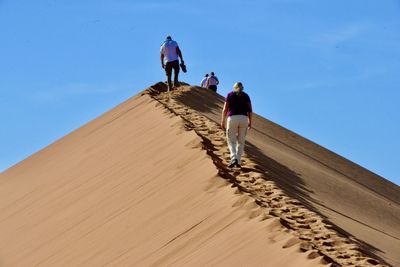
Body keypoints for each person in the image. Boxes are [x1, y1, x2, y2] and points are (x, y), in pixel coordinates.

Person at [221, 82, 253, 168]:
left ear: (234, 87)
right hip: (244, 119)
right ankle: (238, 161)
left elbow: (225, 109)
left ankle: (233, 157)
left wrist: (222, 121)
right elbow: (250, 110)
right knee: (241, 141)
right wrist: (250, 122)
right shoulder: (246, 96)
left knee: (231, 140)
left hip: (232, 118)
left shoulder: (230, 95)